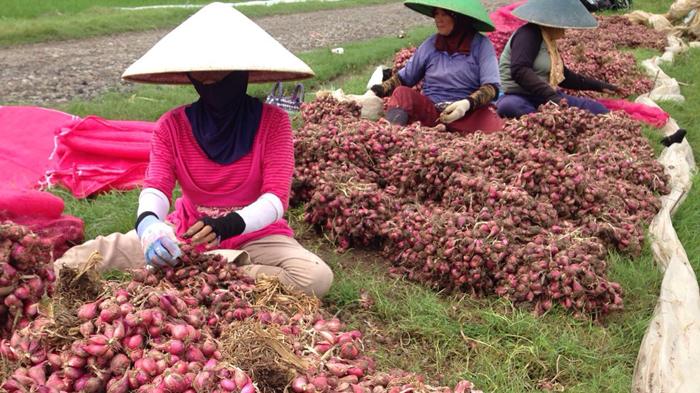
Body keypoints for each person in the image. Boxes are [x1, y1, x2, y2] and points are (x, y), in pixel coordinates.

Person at [55, 3, 334, 297]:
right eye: (202, 78)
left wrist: (229, 224)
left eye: (220, 77)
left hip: (255, 235)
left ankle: (202, 269)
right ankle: (216, 270)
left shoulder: (273, 122)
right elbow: (157, 188)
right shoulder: (172, 125)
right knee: (80, 259)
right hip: (187, 232)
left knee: (314, 277)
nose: (211, 85)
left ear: (242, 72)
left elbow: (275, 199)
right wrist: (150, 225)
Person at [370, 0, 503, 134]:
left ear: (460, 18)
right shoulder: (431, 44)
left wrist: (466, 104)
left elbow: (491, 88)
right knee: (401, 94)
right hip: (432, 112)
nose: (438, 20)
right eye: (436, 14)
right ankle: (391, 134)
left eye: (445, 14)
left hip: (467, 113)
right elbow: (403, 78)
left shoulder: (482, 45)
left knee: (494, 128)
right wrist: (374, 92)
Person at [496, 0, 621, 119]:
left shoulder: (549, 40)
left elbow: (563, 76)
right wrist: (552, 96)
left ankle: (549, 118)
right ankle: (541, 121)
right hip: (519, 95)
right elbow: (520, 70)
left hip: (543, 96)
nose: (564, 30)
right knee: (510, 107)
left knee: (597, 109)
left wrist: (600, 86)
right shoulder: (528, 34)